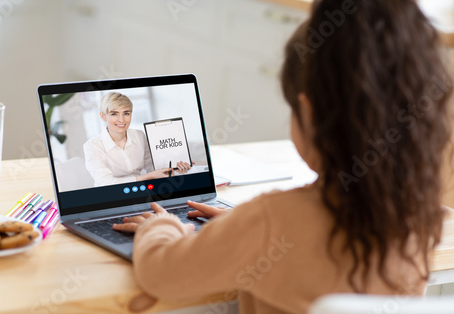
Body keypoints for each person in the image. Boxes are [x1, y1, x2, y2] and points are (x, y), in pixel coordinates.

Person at [113, 0, 453, 313]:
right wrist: (237, 232)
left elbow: (162, 272)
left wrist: (163, 225)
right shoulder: (420, 220)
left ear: (308, 114)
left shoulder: (272, 222)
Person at [84, 92, 191, 187]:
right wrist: (147, 177)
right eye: (114, 114)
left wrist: (174, 169)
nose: (121, 120)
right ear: (103, 116)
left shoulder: (139, 135)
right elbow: (105, 183)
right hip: (110, 195)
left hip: (140, 190)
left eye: (126, 113)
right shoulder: (92, 146)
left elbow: (152, 168)